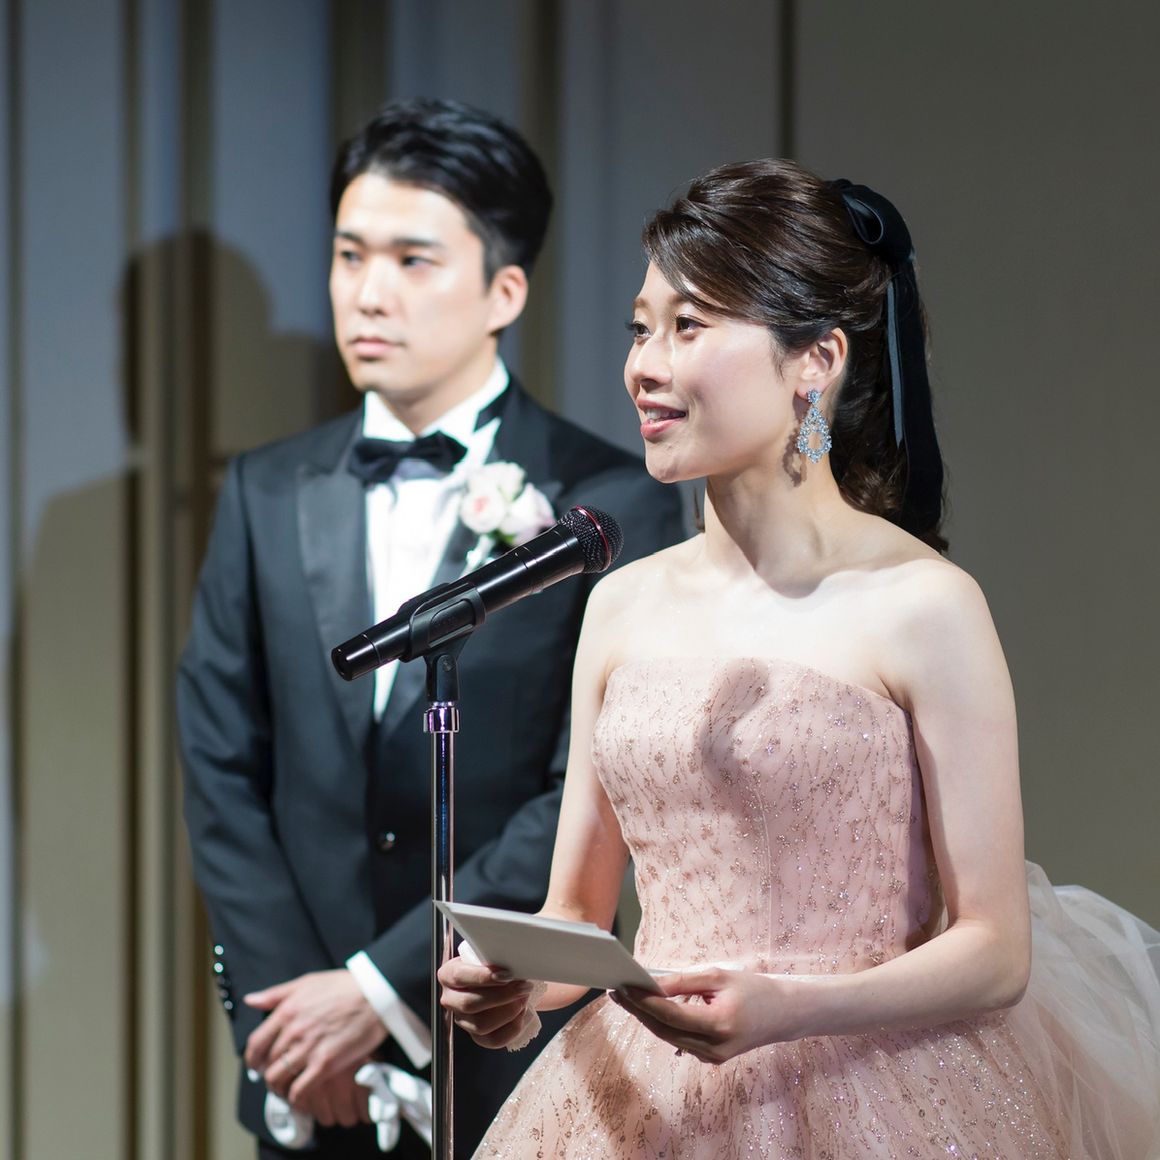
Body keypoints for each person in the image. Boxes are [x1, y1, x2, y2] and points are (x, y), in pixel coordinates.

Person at [438, 158, 1160, 1158]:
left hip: (875, 1087)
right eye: (639, 329)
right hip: (649, 1095)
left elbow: (994, 950)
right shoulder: (618, 603)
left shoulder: (924, 605)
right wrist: (519, 983)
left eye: (688, 326)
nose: (644, 365)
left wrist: (788, 1007)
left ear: (813, 360)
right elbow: (579, 913)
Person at [178, 97, 685, 1160]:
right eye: (348, 255)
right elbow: (220, 762)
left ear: (505, 290)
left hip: (512, 1043)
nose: (368, 292)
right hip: (302, 1061)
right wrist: (297, 1013)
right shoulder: (265, 488)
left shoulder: (609, 501)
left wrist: (378, 990)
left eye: (413, 260)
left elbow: (586, 785)